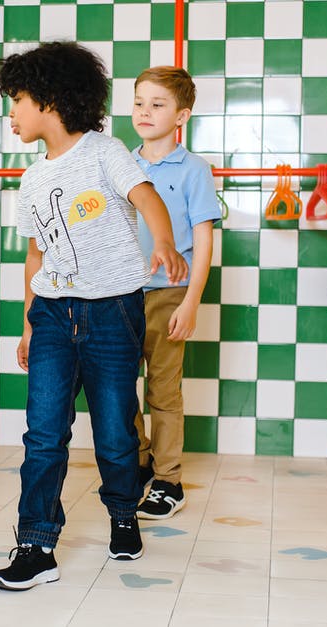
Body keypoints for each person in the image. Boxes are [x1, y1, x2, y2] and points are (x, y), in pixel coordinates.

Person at [0, 42, 188, 591]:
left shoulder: (104, 151)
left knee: (115, 434)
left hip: (113, 314)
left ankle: (124, 514)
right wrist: (29, 322)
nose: (12, 112)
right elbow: (35, 255)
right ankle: (35, 544)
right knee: (44, 435)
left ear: (50, 100)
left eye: (18, 100)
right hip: (53, 313)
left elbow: (146, 197)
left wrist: (165, 241)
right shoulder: (30, 180)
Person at [129, 66, 222, 520]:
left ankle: (168, 481)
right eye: (139, 102)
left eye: (158, 104)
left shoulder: (194, 170)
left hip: (169, 294)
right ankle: (138, 463)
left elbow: (203, 241)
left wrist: (190, 301)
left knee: (163, 392)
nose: (145, 112)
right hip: (120, 295)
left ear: (182, 115)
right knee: (118, 392)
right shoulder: (121, 163)